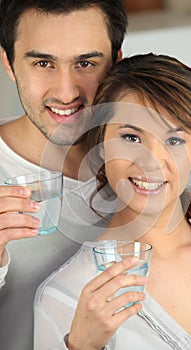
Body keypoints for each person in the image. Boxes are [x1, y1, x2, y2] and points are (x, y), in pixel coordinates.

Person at [34, 53, 191, 349]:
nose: (151, 162)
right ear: (100, 144)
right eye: (131, 138)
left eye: (174, 140)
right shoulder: (65, 295)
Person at [0, 1, 127, 349]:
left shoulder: (140, 156)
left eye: (85, 63)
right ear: (8, 63)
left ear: (116, 61)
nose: (66, 92)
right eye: (43, 63)